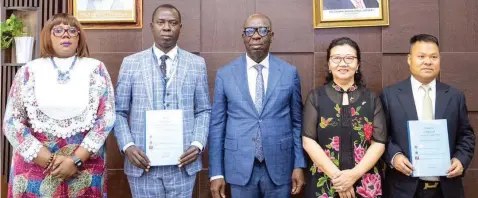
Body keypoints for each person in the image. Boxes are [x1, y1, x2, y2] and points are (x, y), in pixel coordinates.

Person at [3, 13, 115, 197]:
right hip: (35, 168)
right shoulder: (29, 71)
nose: (66, 35)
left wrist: (75, 161)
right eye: (58, 30)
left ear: (79, 37)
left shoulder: (97, 69)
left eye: (72, 30)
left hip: (84, 167)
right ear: (48, 35)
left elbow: (106, 118)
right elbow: (12, 123)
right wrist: (49, 161)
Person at [114, 4, 211, 198]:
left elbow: (203, 110)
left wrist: (198, 143)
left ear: (180, 27)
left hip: (183, 165)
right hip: (142, 164)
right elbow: (119, 111)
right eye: (161, 22)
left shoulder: (196, 64)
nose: (167, 27)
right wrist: (128, 146)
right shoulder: (131, 63)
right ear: (151, 26)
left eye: (173, 23)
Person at [208, 13, 306, 198]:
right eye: (250, 30)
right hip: (239, 167)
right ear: (243, 36)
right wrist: (216, 172)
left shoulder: (289, 73)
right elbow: (217, 126)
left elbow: (296, 123)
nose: (256, 35)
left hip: (280, 167)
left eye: (263, 30)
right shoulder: (225, 74)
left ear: (271, 35)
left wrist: (299, 164)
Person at [381, 34, 475, 198]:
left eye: (433, 57)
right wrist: (394, 156)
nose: (428, 61)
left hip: (446, 189)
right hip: (402, 189)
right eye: (421, 56)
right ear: (410, 60)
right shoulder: (390, 95)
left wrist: (461, 160)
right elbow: (381, 136)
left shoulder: (454, 95)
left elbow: (466, 135)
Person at [302, 37, 386, 198]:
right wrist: (338, 178)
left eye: (349, 58)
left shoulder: (372, 98)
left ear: (358, 65)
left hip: (365, 181)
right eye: (336, 58)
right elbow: (308, 140)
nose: (343, 63)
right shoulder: (316, 97)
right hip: (325, 180)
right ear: (328, 64)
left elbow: (379, 142)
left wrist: (353, 175)